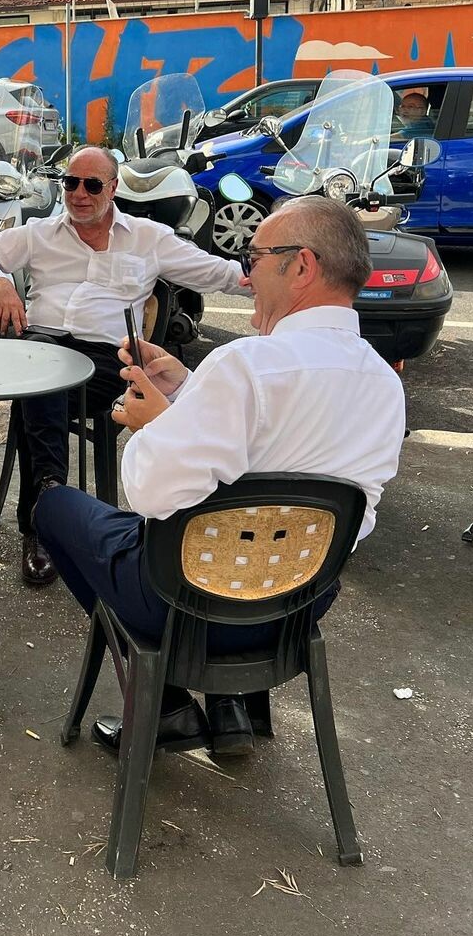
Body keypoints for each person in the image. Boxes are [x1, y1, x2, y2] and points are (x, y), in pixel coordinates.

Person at [35, 196, 405, 758]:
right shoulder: (382, 382)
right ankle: (231, 705)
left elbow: (151, 495)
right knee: (242, 524)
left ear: (302, 266)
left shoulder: (247, 365)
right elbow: (284, 458)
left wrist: (154, 424)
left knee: (55, 507)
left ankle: (167, 707)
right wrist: (190, 391)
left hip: (185, 605)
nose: (247, 275)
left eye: (254, 258)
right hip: (297, 606)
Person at [0, 145, 246, 586]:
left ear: (112, 188)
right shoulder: (40, 232)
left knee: (37, 395)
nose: (79, 194)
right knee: (42, 376)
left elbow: (216, 273)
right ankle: (48, 510)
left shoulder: (147, 238)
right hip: (42, 346)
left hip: (107, 361)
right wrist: (0, 281)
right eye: (71, 183)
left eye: (91, 185)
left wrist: (269, 283)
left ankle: (42, 516)